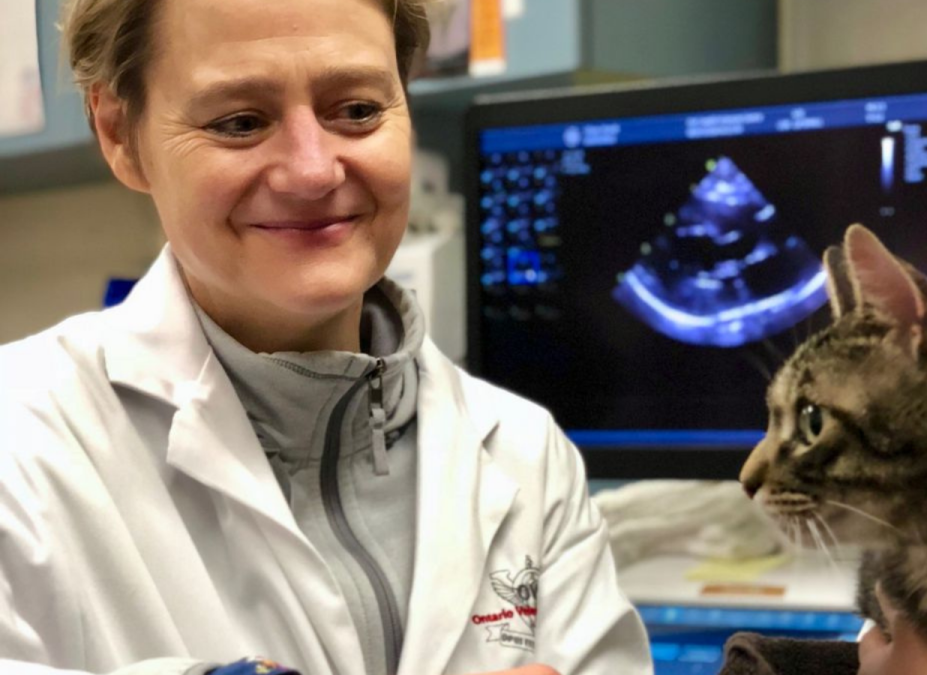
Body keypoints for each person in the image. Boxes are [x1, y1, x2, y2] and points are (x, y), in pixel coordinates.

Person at [0, 0, 652, 674]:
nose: (313, 171)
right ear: (118, 133)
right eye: (240, 122)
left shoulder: (525, 451)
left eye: (358, 110)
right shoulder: (18, 441)